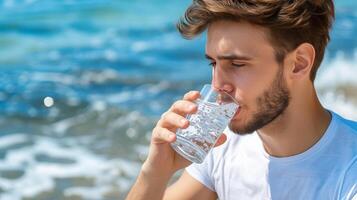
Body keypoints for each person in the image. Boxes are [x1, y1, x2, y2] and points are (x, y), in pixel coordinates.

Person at [126, 0, 357, 199]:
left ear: (299, 63)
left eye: (237, 64)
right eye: (213, 63)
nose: (217, 85)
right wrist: (155, 173)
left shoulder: (350, 171)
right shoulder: (223, 147)